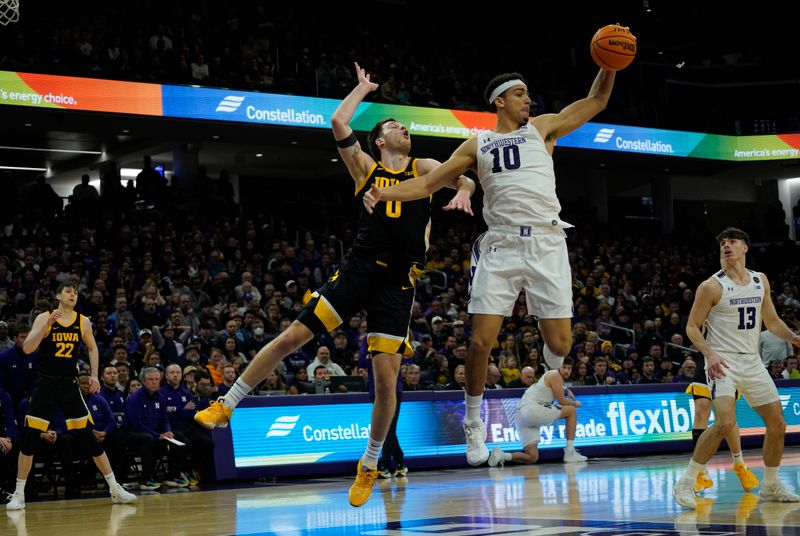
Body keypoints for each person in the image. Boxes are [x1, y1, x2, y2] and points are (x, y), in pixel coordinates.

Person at [193, 62, 475, 508]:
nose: (406, 129)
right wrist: (362, 89)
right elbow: (340, 123)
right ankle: (227, 403)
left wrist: (464, 190)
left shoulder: (423, 165)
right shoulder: (364, 167)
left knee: (386, 384)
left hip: (398, 284)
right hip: (360, 269)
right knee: (292, 337)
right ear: (381, 140)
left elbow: (462, 173)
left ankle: (369, 464)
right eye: (397, 126)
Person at [364, 51, 622, 464]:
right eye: (520, 94)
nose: (528, 101)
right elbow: (429, 182)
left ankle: (542, 388)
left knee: (560, 344)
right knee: (480, 341)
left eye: (528, 94)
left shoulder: (543, 128)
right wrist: (383, 192)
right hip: (501, 244)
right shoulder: (478, 143)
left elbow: (595, 102)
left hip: (548, 242)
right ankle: (473, 424)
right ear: (499, 101)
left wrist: (609, 64)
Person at [672, 228, 800, 509]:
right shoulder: (711, 286)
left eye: (732, 241)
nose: (726, 245)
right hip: (723, 361)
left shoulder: (759, 280)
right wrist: (709, 353)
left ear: (745, 248)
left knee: (778, 423)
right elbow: (692, 326)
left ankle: (771, 484)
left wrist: (792, 337)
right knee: (724, 422)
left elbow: (771, 319)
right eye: (722, 242)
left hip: (752, 360)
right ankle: (686, 482)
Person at [6, 282, 136, 510]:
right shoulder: (45, 317)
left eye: (75, 292)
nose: (73, 295)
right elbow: (27, 348)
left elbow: (93, 348)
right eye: (68, 291)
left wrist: (95, 375)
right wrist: (47, 324)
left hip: (69, 386)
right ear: (58, 295)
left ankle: (115, 489)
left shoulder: (82, 321)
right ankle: (18, 494)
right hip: (45, 384)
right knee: (30, 437)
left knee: (87, 437)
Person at [487, 357, 587, 466]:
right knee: (571, 410)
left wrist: (566, 389)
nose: (566, 370)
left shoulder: (550, 376)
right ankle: (570, 452)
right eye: (564, 367)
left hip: (521, 417)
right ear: (558, 366)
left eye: (569, 368)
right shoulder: (555, 375)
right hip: (532, 409)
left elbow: (555, 386)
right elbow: (562, 401)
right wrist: (575, 403)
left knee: (532, 457)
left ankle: (501, 455)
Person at [685, 352, 759, 494]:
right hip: (708, 357)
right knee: (701, 409)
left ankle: (740, 464)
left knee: (727, 417)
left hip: (729, 359)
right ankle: (701, 472)